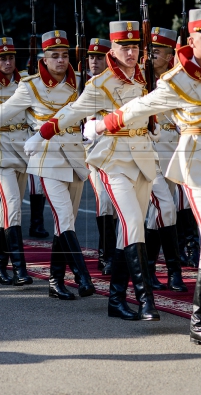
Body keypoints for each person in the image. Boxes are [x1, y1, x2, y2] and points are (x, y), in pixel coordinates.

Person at [93, 9, 201, 353]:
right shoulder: (177, 81)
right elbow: (139, 107)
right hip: (198, 167)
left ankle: (198, 323)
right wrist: (99, 125)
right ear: (191, 41)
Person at [30, 21, 158, 320]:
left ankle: (115, 300)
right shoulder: (100, 85)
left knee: (127, 230)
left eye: (135, 47)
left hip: (143, 158)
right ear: (112, 49)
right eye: (124, 47)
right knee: (132, 222)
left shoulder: (144, 80)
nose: (131, 52)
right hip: (112, 159)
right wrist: (43, 134)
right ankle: (145, 299)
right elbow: (71, 112)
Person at [0, 31, 96, 299]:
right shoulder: (30, 86)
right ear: (43, 59)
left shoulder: (81, 83)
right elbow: (1, 115)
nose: (60, 60)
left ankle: (56, 281)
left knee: (64, 222)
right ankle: (83, 277)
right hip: (46, 156)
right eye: (54, 56)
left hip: (76, 157)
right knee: (63, 217)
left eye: (65, 55)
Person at [143, 26, 187, 293]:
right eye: (150, 50)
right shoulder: (139, 80)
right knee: (167, 208)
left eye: (158, 51)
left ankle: (151, 269)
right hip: (148, 155)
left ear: (171, 54)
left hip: (174, 154)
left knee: (158, 212)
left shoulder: (178, 80)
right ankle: (174, 270)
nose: (152, 55)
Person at [84, 37, 116, 274]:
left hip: (120, 149)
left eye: (98, 57)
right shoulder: (82, 84)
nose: (94, 61)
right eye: (91, 57)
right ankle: (106, 256)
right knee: (104, 201)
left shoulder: (117, 83)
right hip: (95, 151)